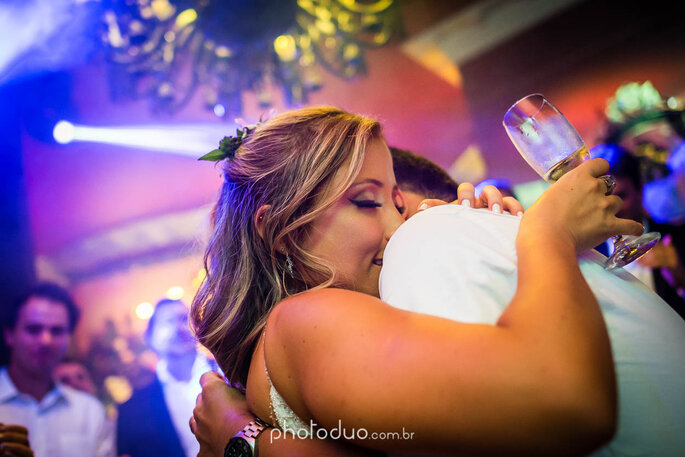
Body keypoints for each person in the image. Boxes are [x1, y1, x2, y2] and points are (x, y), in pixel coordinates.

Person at [190, 106, 642, 456]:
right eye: (367, 203)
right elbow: (568, 405)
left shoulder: (303, 340)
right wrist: (550, 235)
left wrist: (481, 248)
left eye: (398, 204)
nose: (395, 227)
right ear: (279, 233)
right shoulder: (304, 318)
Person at [0, 282, 114, 457]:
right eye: (34, 329)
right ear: (9, 335)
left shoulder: (89, 411)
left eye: (57, 331)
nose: (46, 340)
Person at [117, 298, 213, 457]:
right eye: (168, 322)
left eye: (184, 319)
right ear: (149, 338)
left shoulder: (232, 374)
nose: (178, 327)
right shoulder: (132, 409)